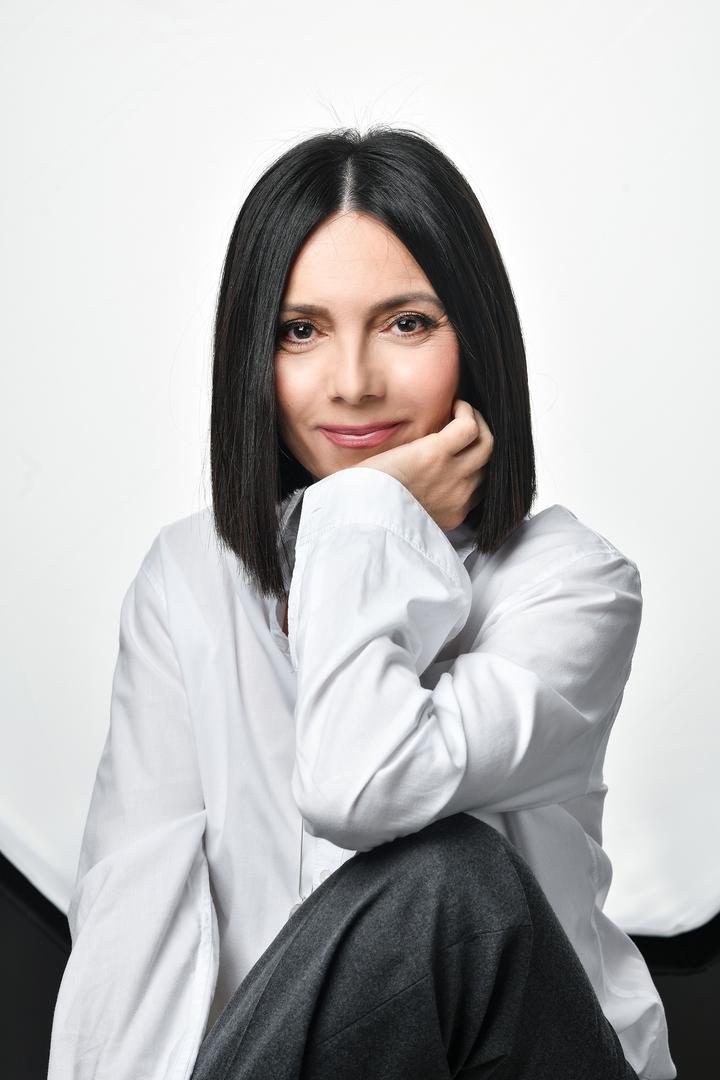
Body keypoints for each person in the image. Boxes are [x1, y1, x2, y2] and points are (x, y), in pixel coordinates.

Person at [47, 125, 676, 1079]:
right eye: (300, 332)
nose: (352, 383)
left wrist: (366, 517)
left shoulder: (570, 585)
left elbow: (359, 784)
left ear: (477, 339)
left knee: (453, 880)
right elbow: (128, 940)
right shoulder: (187, 580)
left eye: (406, 324)